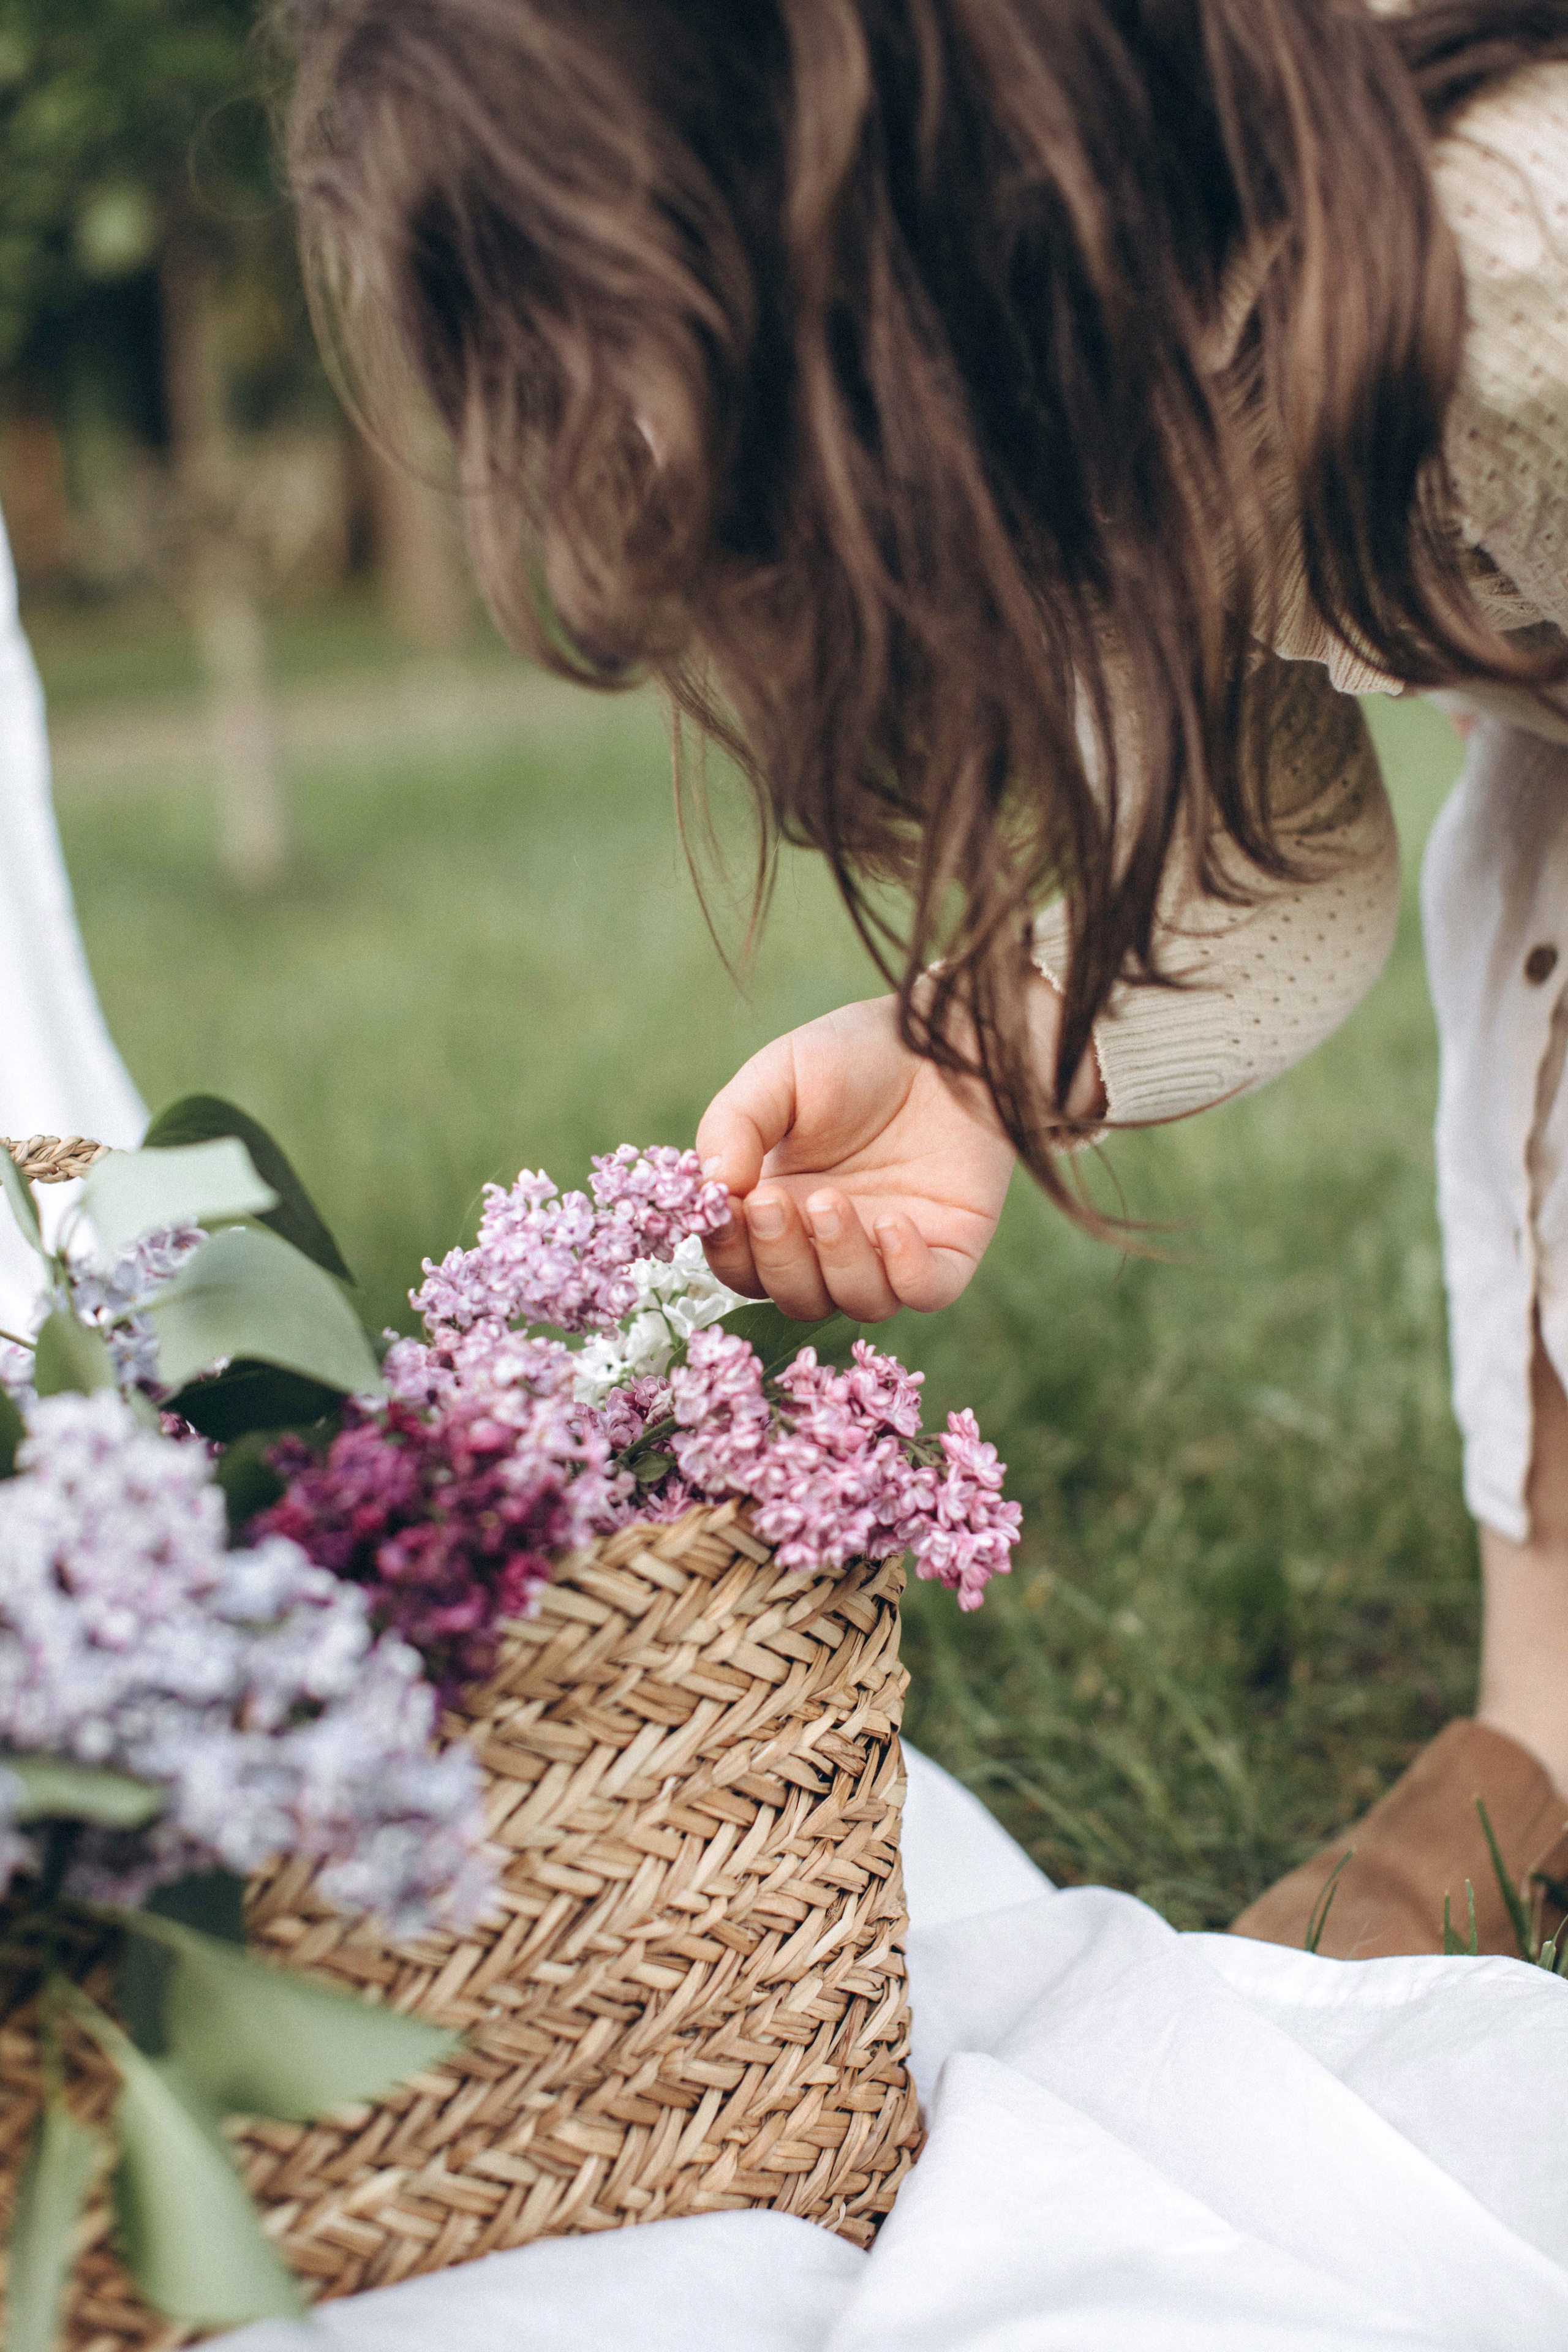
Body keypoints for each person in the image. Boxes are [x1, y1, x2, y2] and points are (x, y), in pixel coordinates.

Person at [279, 0, 1568, 1954]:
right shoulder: (1111, 396)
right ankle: (1538, 1721)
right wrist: (975, 1062)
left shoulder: (1514, 242)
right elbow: (1260, 856)